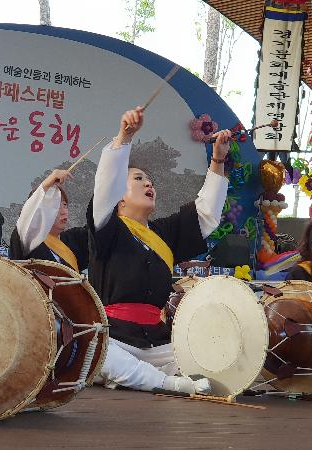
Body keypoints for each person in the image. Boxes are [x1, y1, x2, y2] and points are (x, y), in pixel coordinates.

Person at [87, 107, 231, 395]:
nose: (148, 182)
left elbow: (205, 214)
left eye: (149, 180)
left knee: (206, 355)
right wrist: (124, 138)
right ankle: (168, 383)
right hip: (114, 335)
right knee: (99, 352)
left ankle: (155, 377)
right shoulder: (107, 226)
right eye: (137, 179)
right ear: (118, 198)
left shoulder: (163, 233)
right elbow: (104, 188)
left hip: (156, 340)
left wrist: (217, 160)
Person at [9, 169, 88, 272]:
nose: (63, 211)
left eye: (64, 205)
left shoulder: (73, 239)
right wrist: (47, 184)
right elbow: (28, 216)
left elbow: (99, 225)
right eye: (55, 206)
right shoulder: (30, 240)